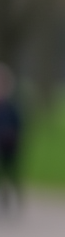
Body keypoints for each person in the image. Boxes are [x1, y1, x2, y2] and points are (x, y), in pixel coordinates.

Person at [0, 64, 23, 213]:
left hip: (10, 146)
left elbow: (19, 125)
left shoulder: (12, 106)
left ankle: (15, 199)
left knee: (12, 173)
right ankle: (4, 199)